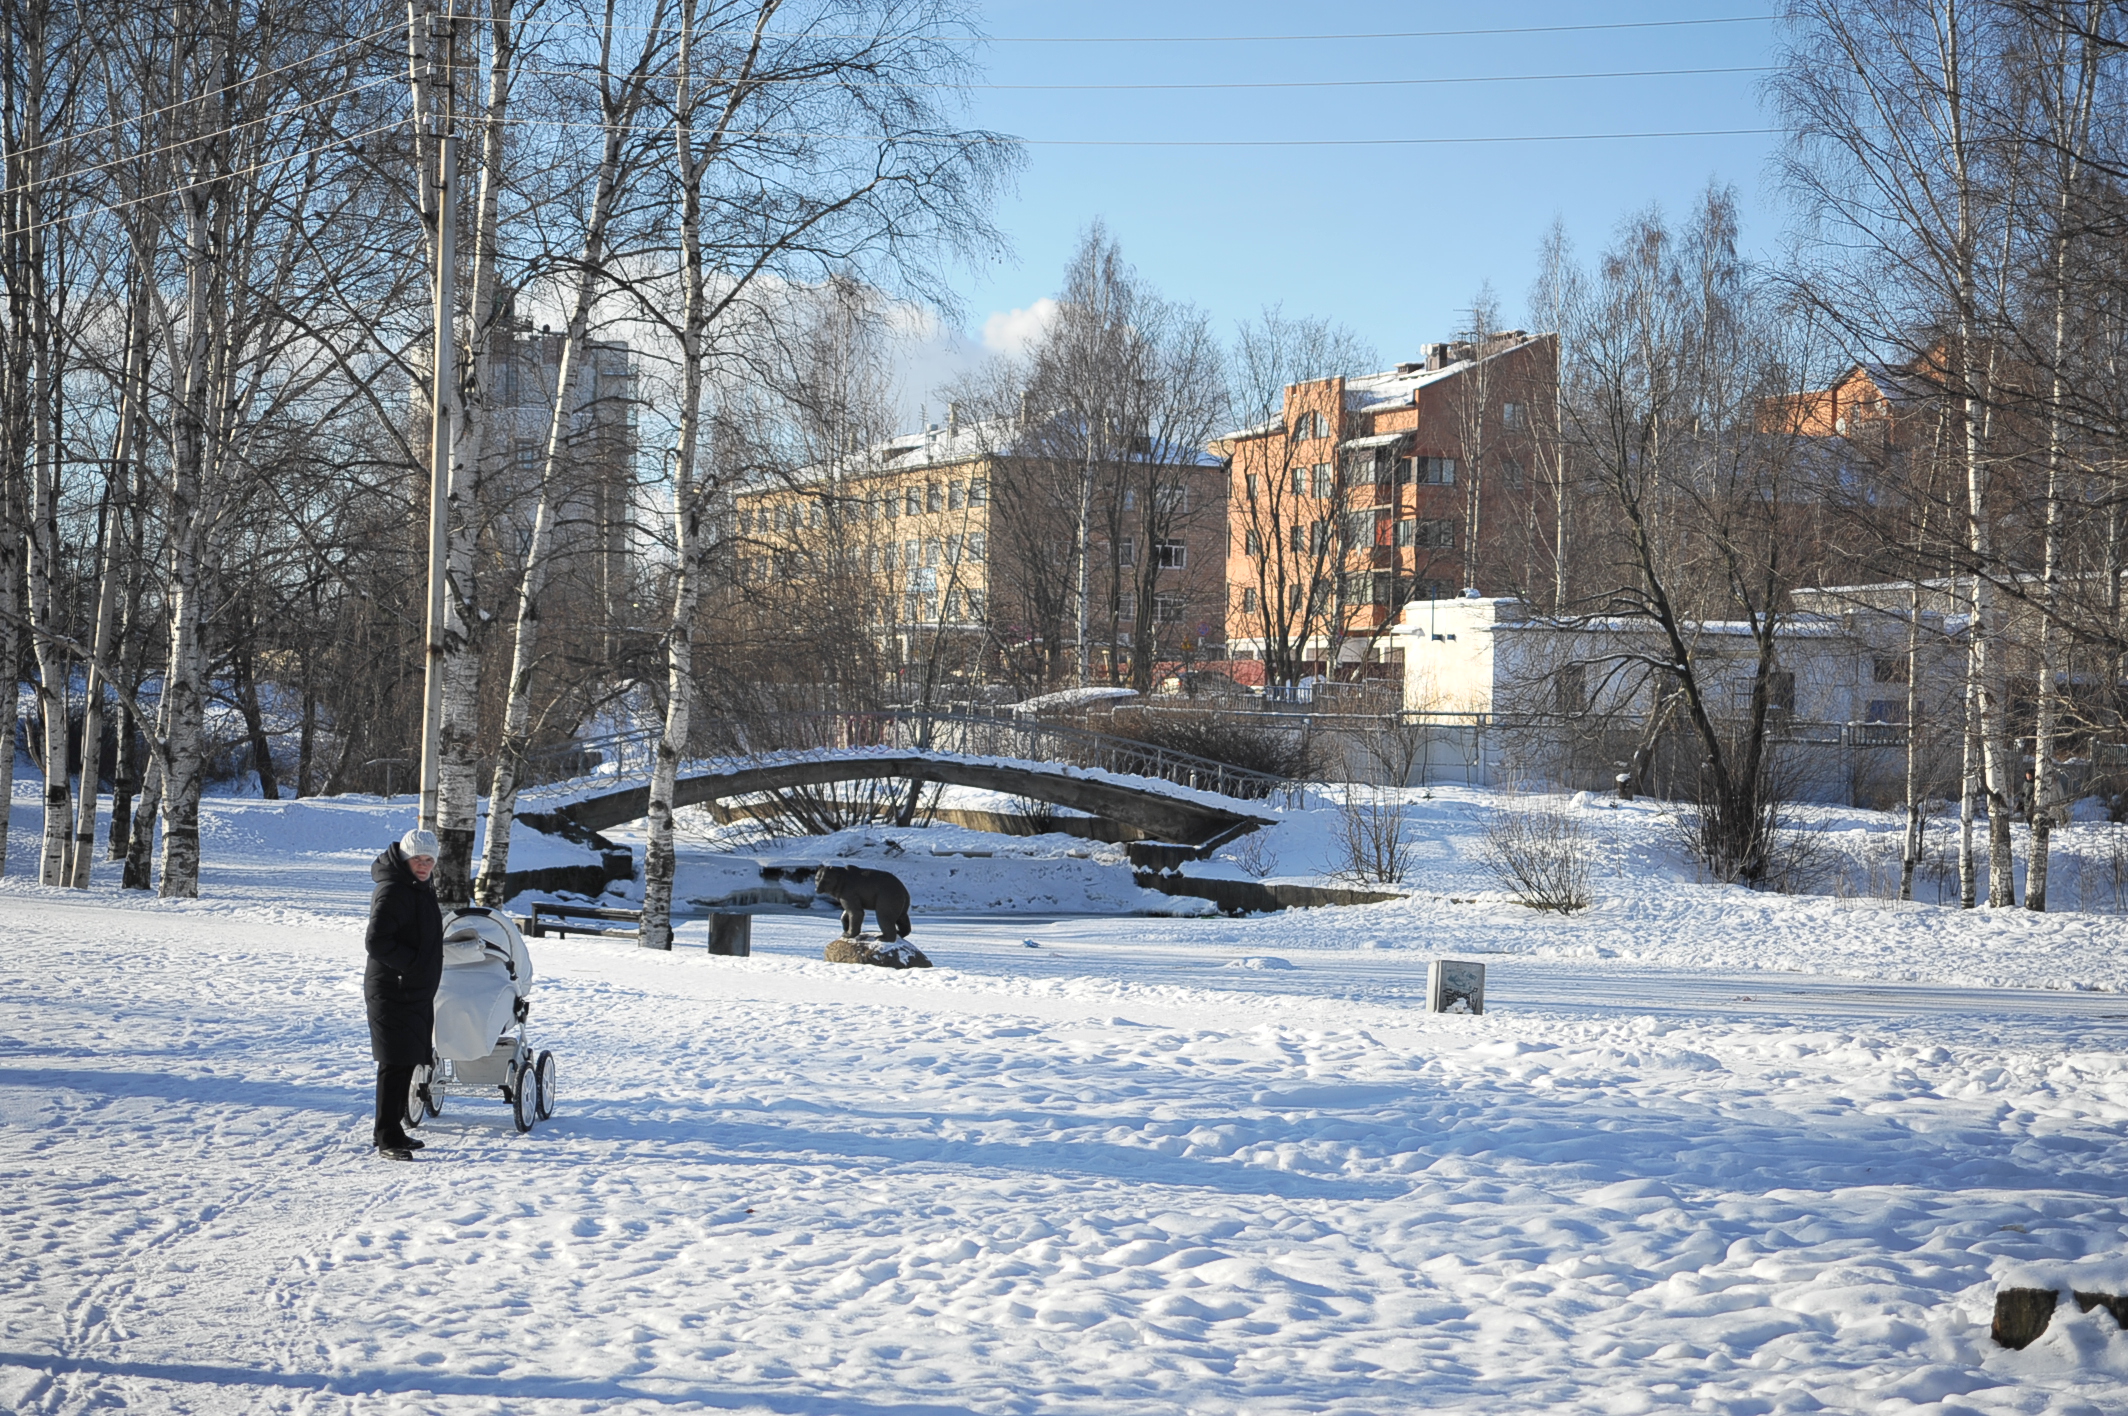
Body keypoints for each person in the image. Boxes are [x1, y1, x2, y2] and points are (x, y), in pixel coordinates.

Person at [364, 828, 444, 1160]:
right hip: (393, 989)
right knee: (394, 1063)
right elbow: (376, 941)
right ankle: (387, 1138)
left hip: (412, 991)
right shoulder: (393, 890)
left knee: (406, 1059)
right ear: (405, 858)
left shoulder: (418, 887)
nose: (423, 866)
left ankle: (393, 1129)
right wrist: (411, 965)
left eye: (429, 860)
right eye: (417, 859)